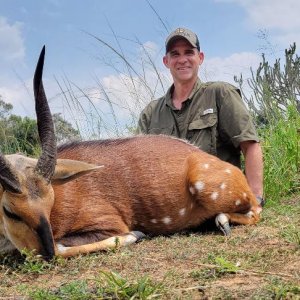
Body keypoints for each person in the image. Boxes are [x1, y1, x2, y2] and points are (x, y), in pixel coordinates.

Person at [137, 27, 264, 205]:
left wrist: (256, 198)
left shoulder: (220, 94)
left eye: (189, 52)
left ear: (200, 58)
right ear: (166, 61)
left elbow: (250, 145)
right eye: (175, 54)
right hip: (171, 210)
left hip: (217, 198)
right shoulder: (150, 113)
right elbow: (138, 168)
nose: (182, 60)